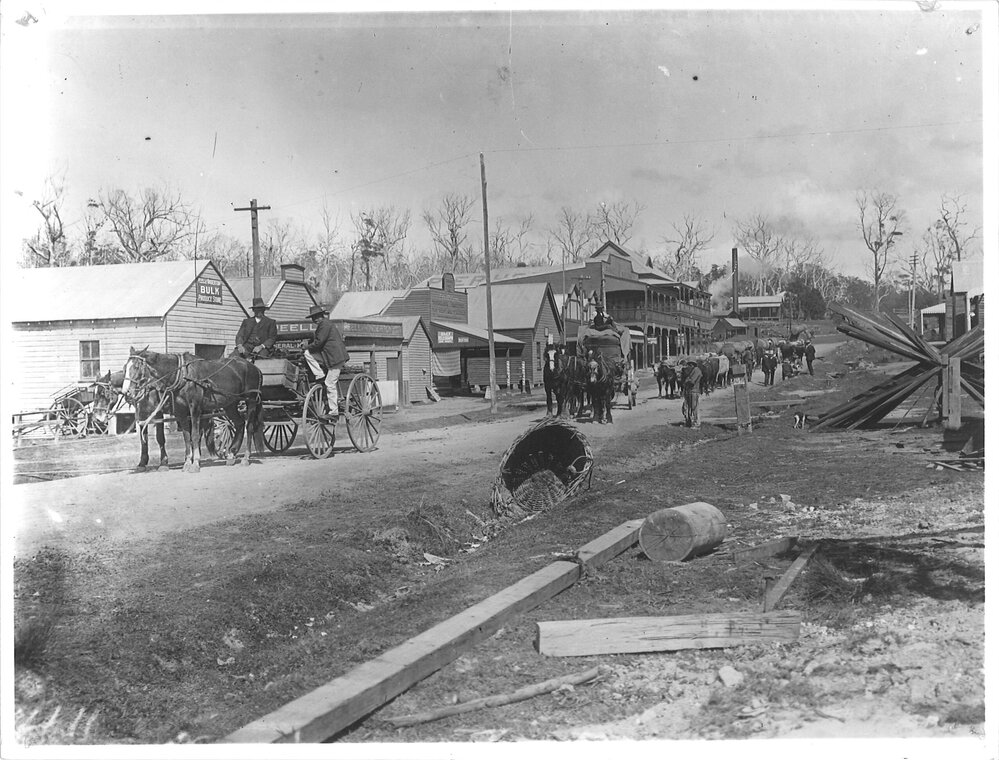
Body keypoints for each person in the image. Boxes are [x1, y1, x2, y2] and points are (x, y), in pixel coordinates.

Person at [301, 304, 349, 420]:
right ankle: (319, 374)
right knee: (308, 353)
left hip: (335, 358)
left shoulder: (324, 325)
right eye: (313, 317)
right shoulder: (324, 325)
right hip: (330, 357)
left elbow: (319, 342)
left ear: (321, 316)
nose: (314, 319)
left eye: (316, 316)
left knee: (329, 383)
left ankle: (334, 412)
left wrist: (306, 346)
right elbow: (318, 340)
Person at [542, 334, 563, 416]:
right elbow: (544, 357)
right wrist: (547, 359)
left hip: (555, 363)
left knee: (559, 394)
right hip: (549, 364)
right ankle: (549, 410)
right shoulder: (546, 350)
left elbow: (557, 357)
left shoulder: (555, 349)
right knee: (548, 394)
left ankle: (559, 411)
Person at [681, 359, 702, 429]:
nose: (688, 366)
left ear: (693, 365)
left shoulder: (696, 370)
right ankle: (688, 422)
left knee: (694, 407)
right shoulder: (692, 371)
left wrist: (686, 380)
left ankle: (696, 423)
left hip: (694, 391)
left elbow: (691, 381)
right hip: (689, 391)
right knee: (686, 407)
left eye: (689, 365)